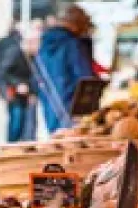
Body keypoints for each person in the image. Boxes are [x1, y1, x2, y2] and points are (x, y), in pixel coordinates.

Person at [36, 4, 96, 133]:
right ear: (77, 24)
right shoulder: (74, 44)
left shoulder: (44, 45)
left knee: (57, 142)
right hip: (74, 109)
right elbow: (86, 79)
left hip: (51, 107)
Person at [0, 27, 38, 142]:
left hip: (27, 94)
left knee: (28, 126)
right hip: (14, 94)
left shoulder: (33, 56)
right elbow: (3, 72)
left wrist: (33, 92)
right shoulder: (14, 53)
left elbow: (34, 77)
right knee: (16, 123)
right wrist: (17, 84)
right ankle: (11, 146)